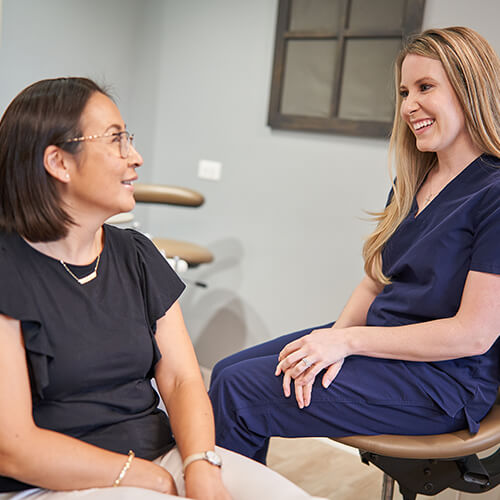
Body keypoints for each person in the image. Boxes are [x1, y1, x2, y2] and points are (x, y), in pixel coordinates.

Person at [0, 78, 321, 500]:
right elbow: (15, 448)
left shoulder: (136, 253)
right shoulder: (9, 269)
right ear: (58, 162)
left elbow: (183, 380)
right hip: (54, 480)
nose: (135, 157)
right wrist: (144, 477)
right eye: (116, 140)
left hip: (159, 455)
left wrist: (202, 465)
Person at [209, 26, 500, 464]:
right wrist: (335, 336)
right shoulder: (414, 181)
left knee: (239, 392)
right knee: (227, 370)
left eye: (425, 87)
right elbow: (374, 283)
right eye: (404, 92)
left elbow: (473, 334)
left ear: (469, 89)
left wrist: (348, 344)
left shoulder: (492, 194)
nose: (409, 106)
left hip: (444, 381)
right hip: (379, 348)